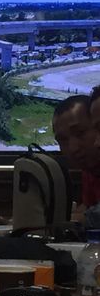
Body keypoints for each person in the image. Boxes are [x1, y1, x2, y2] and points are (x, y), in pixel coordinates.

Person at [52, 94, 100, 222]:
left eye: (80, 133)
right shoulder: (90, 170)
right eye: (63, 140)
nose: (73, 148)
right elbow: (89, 208)